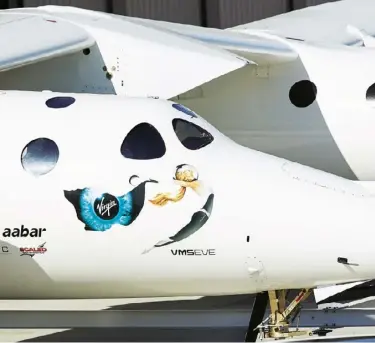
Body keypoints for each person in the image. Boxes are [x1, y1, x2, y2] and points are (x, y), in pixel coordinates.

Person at [143, 164, 214, 254]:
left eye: (180, 175)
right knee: (176, 237)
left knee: (177, 237)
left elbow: (180, 183)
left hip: (201, 215)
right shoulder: (197, 184)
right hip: (201, 215)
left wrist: (153, 180)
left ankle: (151, 247)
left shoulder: (198, 183)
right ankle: (152, 247)